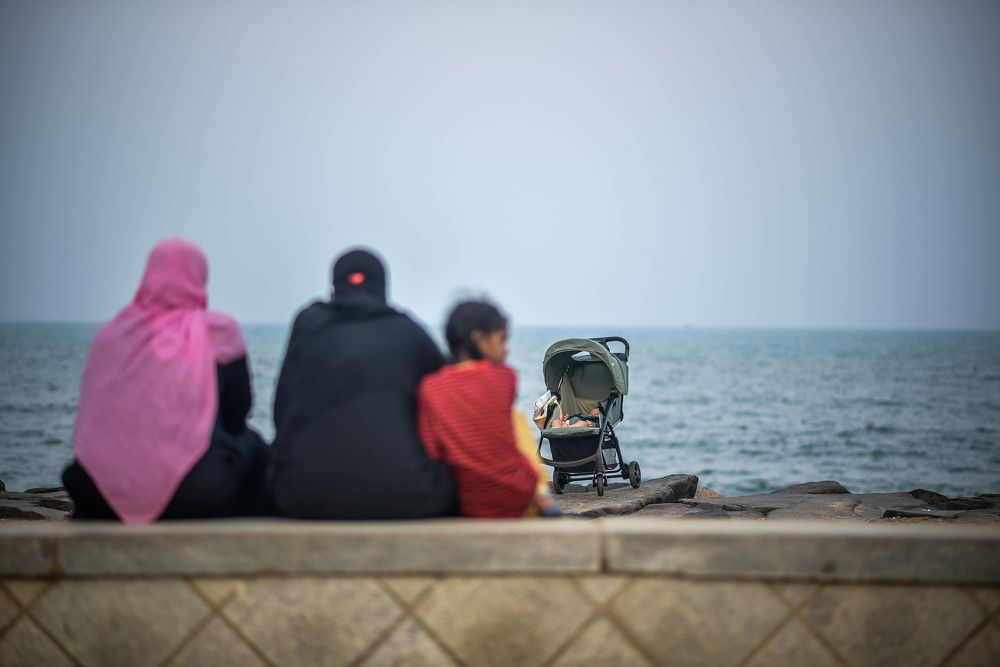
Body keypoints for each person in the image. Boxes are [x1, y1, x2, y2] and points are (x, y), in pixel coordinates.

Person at [62, 239, 268, 522]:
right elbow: (237, 414)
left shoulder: (112, 334)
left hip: (97, 491)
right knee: (255, 449)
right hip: (193, 492)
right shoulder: (219, 331)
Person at [267, 248, 455, 519]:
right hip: (411, 497)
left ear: (335, 286)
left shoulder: (308, 326)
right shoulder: (410, 332)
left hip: (303, 498)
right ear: (383, 286)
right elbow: (447, 410)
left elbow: (281, 410)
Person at [417, 300, 560, 518]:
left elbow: (432, 448)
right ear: (478, 338)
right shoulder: (504, 377)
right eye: (501, 340)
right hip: (516, 496)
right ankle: (541, 495)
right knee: (515, 418)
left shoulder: (430, 387)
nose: (506, 350)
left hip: (463, 501)